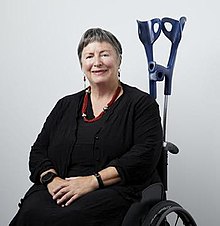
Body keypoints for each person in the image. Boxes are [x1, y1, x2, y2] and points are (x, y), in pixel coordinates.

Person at [9, 28, 163, 226]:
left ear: (119, 60)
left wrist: (91, 181)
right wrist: (52, 181)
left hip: (115, 189)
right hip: (61, 185)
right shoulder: (65, 105)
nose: (97, 62)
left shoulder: (141, 104)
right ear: (82, 64)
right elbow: (38, 152)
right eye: (89, 56)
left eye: (105, 54)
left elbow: (145, 155)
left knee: (66, 218)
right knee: (31, 211)